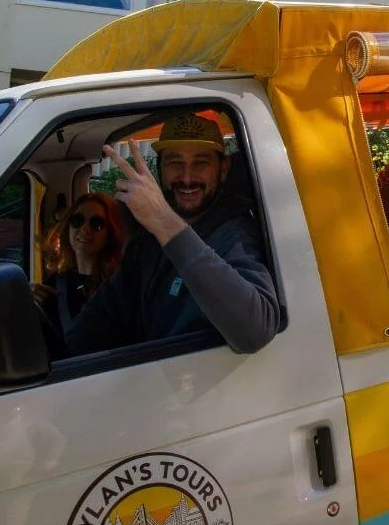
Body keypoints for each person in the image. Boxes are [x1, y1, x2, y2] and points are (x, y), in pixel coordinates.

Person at [66, 114, 279, 356]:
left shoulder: (235, 235)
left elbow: (256, 331)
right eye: (175, 163)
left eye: (201, 163)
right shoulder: (147, 241)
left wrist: (164, 221)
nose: (187, 178)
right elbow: (103, 315)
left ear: (223, 169)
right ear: (159, 167)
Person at [35, 192, 126, 340]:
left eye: (96, 224)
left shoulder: (117, 286)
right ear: (68, 228)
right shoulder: (55, 283)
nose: (85, 229)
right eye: (77, 221)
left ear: (110, 234)